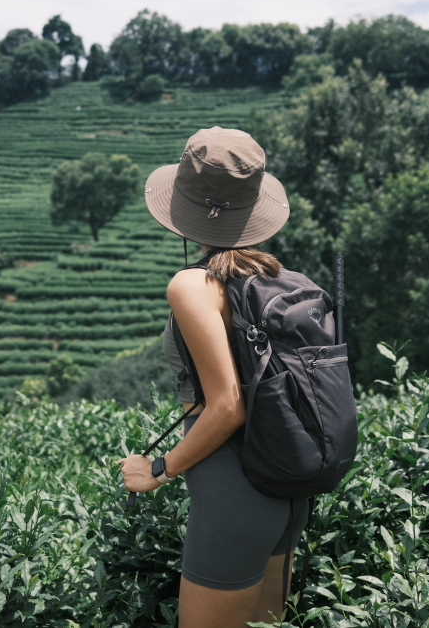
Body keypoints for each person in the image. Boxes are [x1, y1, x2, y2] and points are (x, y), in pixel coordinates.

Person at [119, 127, 308, 626]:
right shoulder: (279, 279)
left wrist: (158, 470)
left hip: (233, 491)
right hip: (287, 484)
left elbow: (227, 405)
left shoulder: (192, 284)